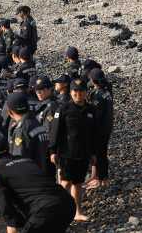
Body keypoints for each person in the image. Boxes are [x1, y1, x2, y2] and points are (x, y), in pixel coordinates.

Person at [0, 132, 76, 233]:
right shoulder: (26, 159)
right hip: (68, 203)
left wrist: (12, 223)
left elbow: (3, 203)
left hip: (45, 209)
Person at [48, 77, 97, 223]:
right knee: (65, 183)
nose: (78, 94)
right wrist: (52, 151)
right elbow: (54, 131)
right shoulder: (63, 109)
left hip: (83, 154)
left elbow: (94, 134)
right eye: (75, 91)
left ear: (86, 92)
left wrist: (94, 153)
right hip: (66, 154)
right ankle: (60, 212)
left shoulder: (91, 110)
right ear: (70, 92)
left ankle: (77, 212)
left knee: (78, 184)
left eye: (81, 91)